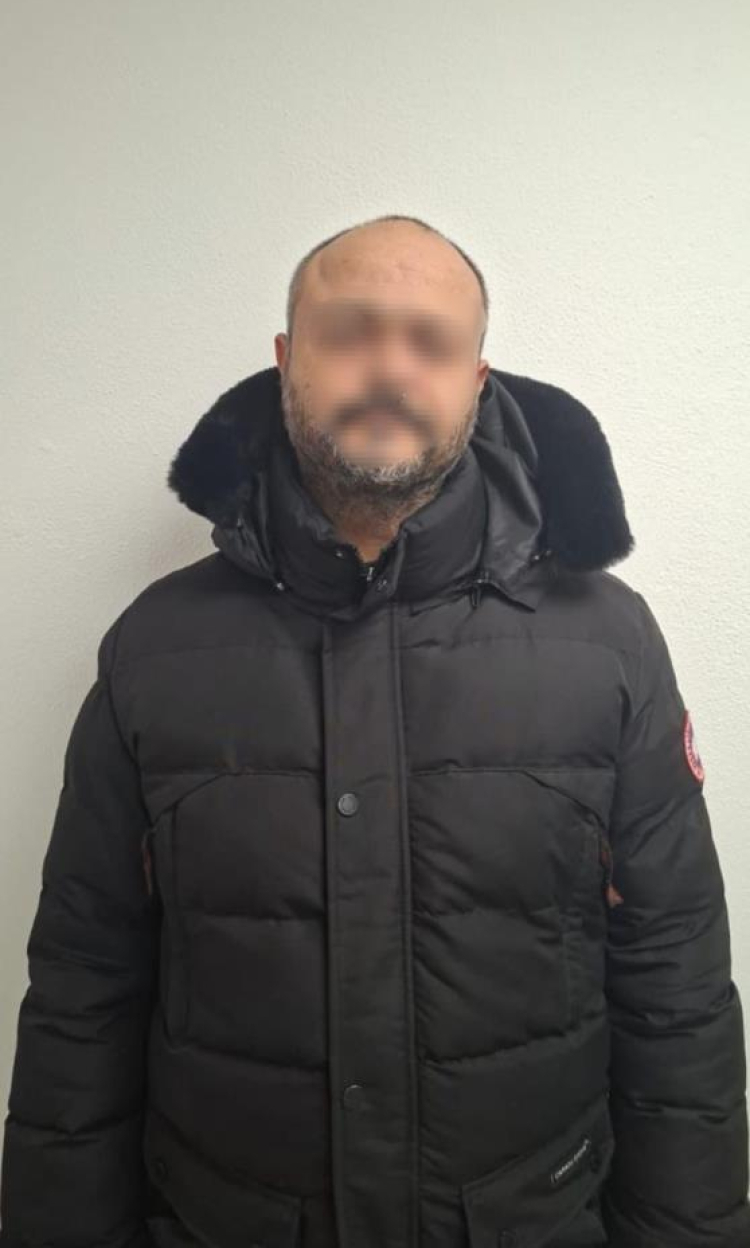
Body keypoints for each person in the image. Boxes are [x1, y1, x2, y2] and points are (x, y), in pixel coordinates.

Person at [1, 213, 748, 1248]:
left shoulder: (607, 643)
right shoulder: (155, 647)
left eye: (430, 342)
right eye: (350, 331)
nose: (390, 366)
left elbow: (676, 982)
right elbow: (85, 985)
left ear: (477, 381)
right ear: (285, 359)